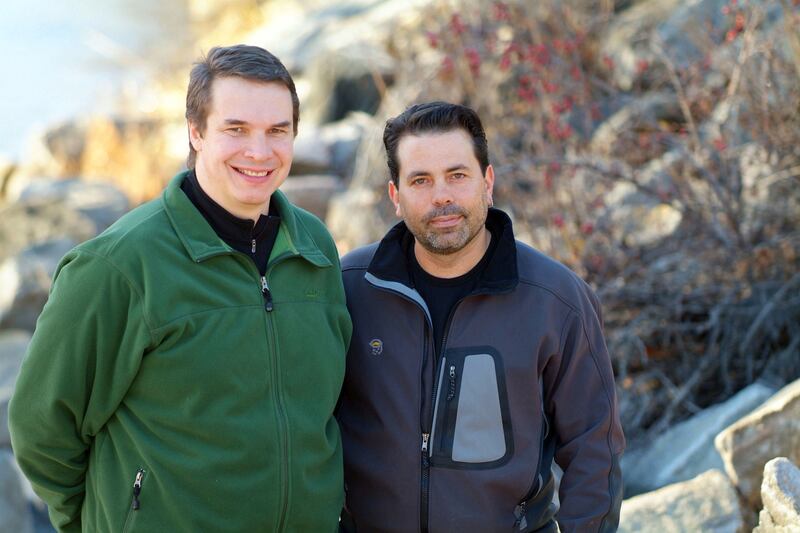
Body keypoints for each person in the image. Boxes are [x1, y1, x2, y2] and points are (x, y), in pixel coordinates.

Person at [9, 44, 352, 532]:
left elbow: (327, 407)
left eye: (278, 131)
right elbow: (41, 429)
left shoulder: (315, 248)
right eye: (236, 129)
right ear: (196, 132)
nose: (260, 152)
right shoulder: (118, 266)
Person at [337, 101, 625, 532]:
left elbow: (594, 448)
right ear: (396, 196)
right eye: (421, 180)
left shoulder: (556, 300)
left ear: (487, 182)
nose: (442, 196)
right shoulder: (350, 289)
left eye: (457, 175)